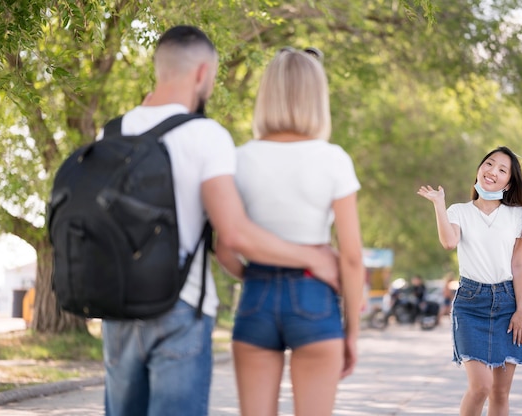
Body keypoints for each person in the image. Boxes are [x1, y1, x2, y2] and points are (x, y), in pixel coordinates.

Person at [100, 26, 338, 416]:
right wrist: (311, 259)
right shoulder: (205, 135)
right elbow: (234, 232)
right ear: (202, 73)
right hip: (180, 305)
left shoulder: (113, 130)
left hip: (117, 304)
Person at [216, 47, 365, 416]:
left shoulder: (238, 158)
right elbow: (351, 257)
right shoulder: (333, 159)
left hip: (255, 298)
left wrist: (255, 277)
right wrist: (352, 333)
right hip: (314, 297)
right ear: (318, 97)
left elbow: (223, 248)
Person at [417, 146, 522, 416]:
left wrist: (521, 310)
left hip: (508, 304)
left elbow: (519, 264)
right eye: (489, 164)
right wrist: (439, 204)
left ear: (509, 183)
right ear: (480, 168)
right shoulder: (459, 211)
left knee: (500, 393)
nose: (493, 171)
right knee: (481, 387)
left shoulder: (518, 215)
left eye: (502, 170)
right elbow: (449, 242)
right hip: (471, 305)